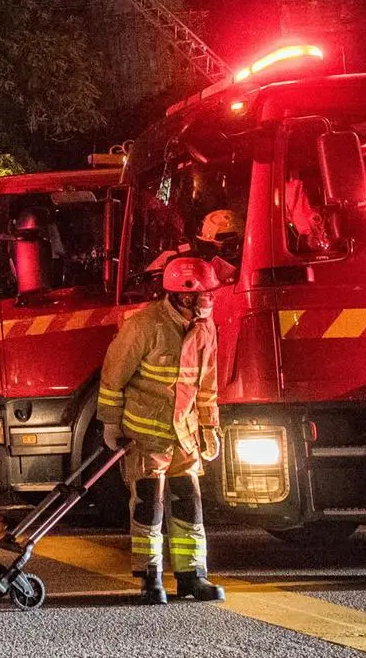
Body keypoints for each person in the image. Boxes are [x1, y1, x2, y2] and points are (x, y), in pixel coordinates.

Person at [97, 257, 226, 605]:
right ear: (183, 296)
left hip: (184, 436)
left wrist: (210, 427)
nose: (208, 301)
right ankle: (150, 577)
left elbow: (207, 386)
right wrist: (111, 422)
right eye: (203, 295)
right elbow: (113, 377)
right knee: (148, 506)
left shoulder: (205, 329)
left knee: (189, 503)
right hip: (145, 436)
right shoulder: (144, 326)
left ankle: (192, 576)